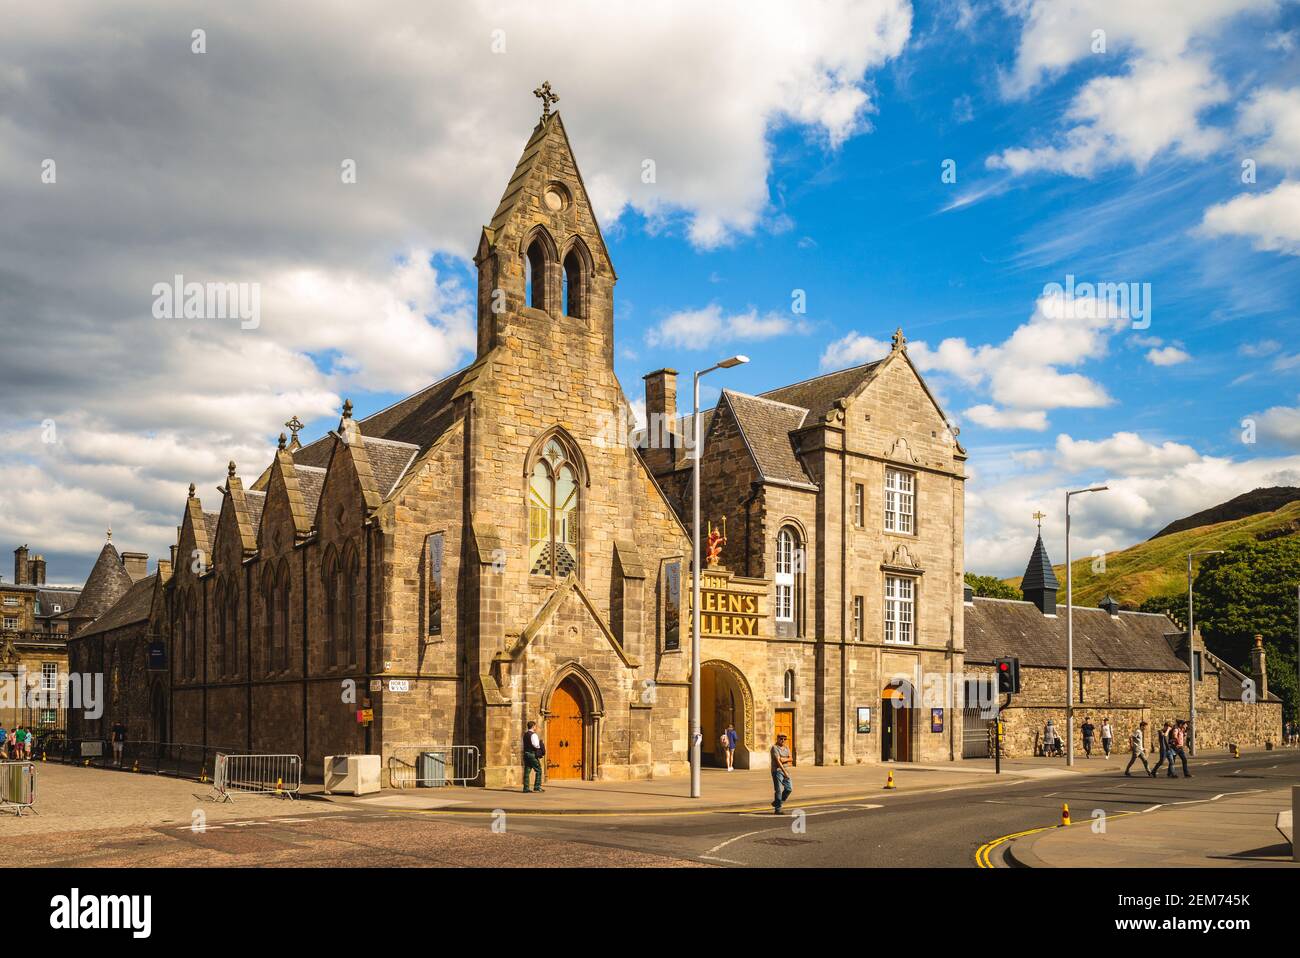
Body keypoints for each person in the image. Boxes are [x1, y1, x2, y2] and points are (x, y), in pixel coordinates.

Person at [770, 733, 793, 814]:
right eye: (781, 738)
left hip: (787, 770)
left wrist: (784, 759)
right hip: (777, 771)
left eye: (784, 739)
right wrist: (784, 771)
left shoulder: (786, 747)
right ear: (777, 738)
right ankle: (778, 809)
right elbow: (778, 761)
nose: (783, 740)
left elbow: (791, 758)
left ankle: (777, 802)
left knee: (789, 788)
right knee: (779, 790)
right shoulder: (774, 748)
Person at [521, 720, 545, 793]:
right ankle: (537, 787)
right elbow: (536, 745)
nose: (536, 727)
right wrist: (540, 746)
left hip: (526, 753)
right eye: (535, 726)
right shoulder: (533, 735)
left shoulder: (525, 734)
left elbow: (523, 744)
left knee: (527, 771)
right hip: (532, 754)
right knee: (538, 770)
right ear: (533, 726)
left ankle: (526, 788)